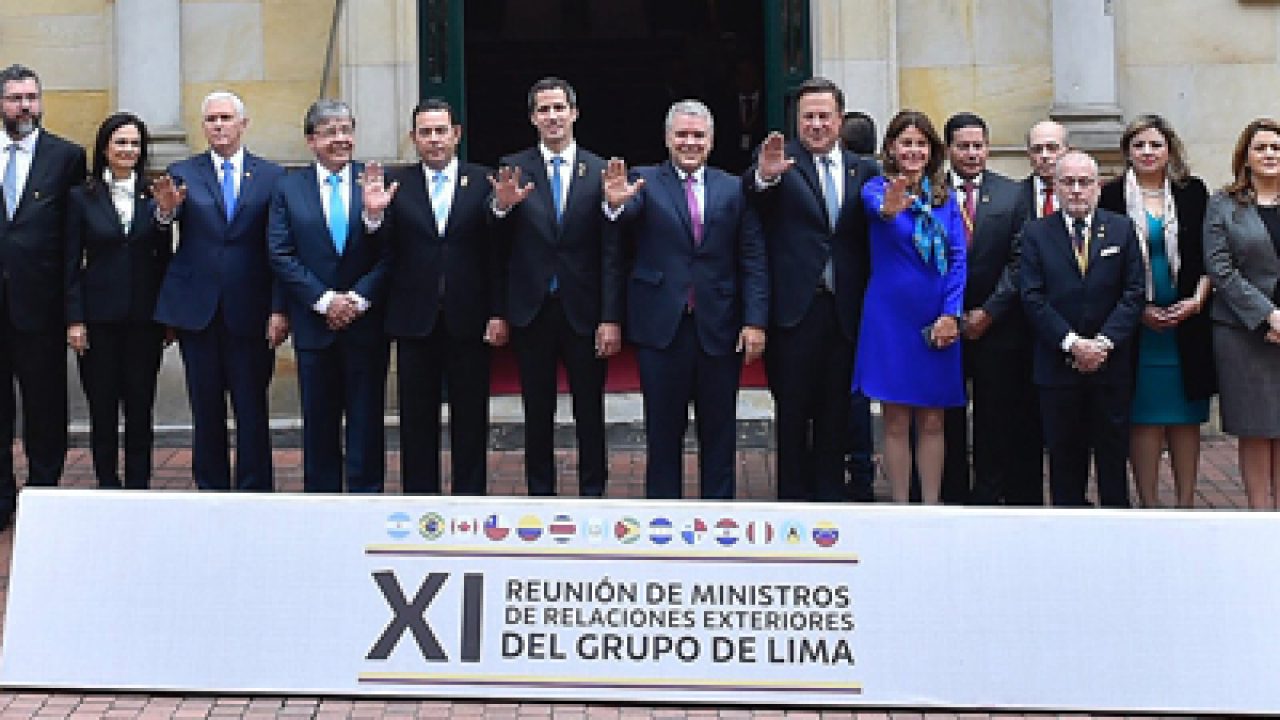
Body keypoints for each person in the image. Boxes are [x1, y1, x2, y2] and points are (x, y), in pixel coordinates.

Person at [604, 99, 768, 500]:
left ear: (711, 140)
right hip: (662, 328)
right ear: (667, 138)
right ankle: (664, 518)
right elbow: (625, 214)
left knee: (720, 433)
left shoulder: (733, 187)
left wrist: (755, 321)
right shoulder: (643, 181)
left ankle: (718, 516)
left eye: (697, 135)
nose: (689, 142)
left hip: (719, 326)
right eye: (682, 135)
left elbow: (752, 257)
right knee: (663, 434)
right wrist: (614, 205)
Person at [488, 77, 623, 498]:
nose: (552, 117)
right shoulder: (512, 168)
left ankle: (593, 494)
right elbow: (496, 248)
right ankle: (540, 495)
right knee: (537, 410)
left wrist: (611, 316)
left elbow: (612, 251)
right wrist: (500, 208)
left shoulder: (600, 171)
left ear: (574, 113)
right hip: (533, 308)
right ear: (533, 118)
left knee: (589, 410)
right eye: (543, 110)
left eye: (559, 108)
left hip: (584, 309)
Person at [746, 77, 877, 501]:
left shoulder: (864, 169)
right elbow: (753, 199)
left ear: (840, 119)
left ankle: (830, 500)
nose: (816, 125)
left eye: (824, 116)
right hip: (794, 312)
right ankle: (793, 503)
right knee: (793, 413)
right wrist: (763, 178)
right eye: (808, 117)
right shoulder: (778, 162)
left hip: (844, 312)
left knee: (836, 413)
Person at [152, 91, 288, 492]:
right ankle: (210, 489)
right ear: (203, 126)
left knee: (251, 408)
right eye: (211, 119)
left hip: (251, 311)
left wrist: (279, 308)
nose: (219, 125)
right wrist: (164, 211)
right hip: (199, 312)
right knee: (206, 408)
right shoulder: (183, 172)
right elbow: (164, 222)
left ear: (243, 124)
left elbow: (281, 247)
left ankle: (254, 490)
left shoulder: (272, 176)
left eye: (226, 118)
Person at [376, 99, 507, 495]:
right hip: (414, 319)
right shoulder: (394, 184)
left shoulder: (484, 181)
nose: (434, 140)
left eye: (441, 131)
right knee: (416, 420)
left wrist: (498, 312)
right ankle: (420, 501)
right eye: (425, 132)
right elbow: (382, 251)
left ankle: (469, 500)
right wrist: (372, 217)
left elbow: (497, 254)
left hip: (469, 318)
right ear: (413, 138)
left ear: (456, 134)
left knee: (471, 417)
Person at [267, 99, 390, 493]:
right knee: (319, 421)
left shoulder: (376, 180)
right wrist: (324, 301)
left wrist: (357, 299)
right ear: (311, 140)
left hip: (365, 322)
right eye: (330, 132)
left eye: (346, 130)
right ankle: (322, 501)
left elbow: (392, 251)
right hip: (313, 323)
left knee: (367, 419)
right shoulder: (288, 188)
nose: (341, 139)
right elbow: (280, 253)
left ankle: (366, 495)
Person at [1099, 114, 1214, 509]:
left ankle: (1185, 505)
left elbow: (1209, 256)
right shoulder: (1111, 196)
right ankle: (1149, 506)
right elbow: (1105, 266)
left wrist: (1197, 300)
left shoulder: (1193, 192)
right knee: (1143, 416)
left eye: (1155, 145)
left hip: (1187, 322)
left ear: (1170, 150)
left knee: (1186, 417)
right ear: (1127, 152)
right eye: (1139, 145)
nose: (1147, 152)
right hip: (1136, 327)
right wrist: (1138, 310)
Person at [852, 111, 965, 505]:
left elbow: (957, 257)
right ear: (891, 148)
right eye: (906, 143)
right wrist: (891, 207)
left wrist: (951, 313)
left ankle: (930, 506)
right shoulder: (876, 188)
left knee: (933, 418)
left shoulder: (945, 198)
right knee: (896, 419)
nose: (913, 151)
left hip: (936, 316)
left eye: (921, 144)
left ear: (931, 150)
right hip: (890, 318)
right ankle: (900, 505)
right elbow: (878, 211)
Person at [1021, 151, 1144, 508]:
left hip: (1111, 366)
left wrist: (1102, 344)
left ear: (1098, 187)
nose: (1076, 190)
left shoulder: (1121, 229)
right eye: (1068, 182)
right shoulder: (1036, 233)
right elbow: (1032, 297)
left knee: (1113, 460)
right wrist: (1073, 344)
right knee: (1064, 462)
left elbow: (1134, 292)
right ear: (1055, 187)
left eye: (1084, 182)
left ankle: (1116, 530)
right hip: (1058, 366)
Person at [939, 112, 1043, 505]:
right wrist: (951, 313)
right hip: (943, 321)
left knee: (995, 413)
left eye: (978, 146)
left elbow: (1019, 259)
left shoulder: (1012, 194)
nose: (971, 154)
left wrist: (989, 311)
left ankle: (989, 491)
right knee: (946, 413)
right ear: (948, 149)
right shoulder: (932, 192)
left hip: (997, 323)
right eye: (963, 146)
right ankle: (951, 490)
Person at [64, 112, 171, 489]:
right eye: (121, 142)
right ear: (105, 148)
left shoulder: (155, 194)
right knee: (103, 410)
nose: (128, 149)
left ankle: (139, 487)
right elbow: (70, 262)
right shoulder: (81, 197)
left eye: (135, 143)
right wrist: (74, 319)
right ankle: (107, 485)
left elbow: (163, 257)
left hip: (144, 320)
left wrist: (165, 217)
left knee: (140, 408)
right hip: (98, 321)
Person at [0, 63, 87, 528]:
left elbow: (74, 241)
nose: (25, 106)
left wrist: (73, 309)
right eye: (15, 98)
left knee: (45, 407)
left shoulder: (66, 157)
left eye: (31, 97)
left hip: (42, 305)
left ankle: (43, 495)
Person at [1203, 118, 1280, 510]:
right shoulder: (1223, 203)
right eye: (1260, 147)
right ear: (1245, 157)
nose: (1269, 154)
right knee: (1256, 428)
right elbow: (1220, 268)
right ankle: (1259, 515)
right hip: (1242, 331)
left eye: (1276, 148)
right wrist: (1269, 315)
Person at [839, 110, 878, 501]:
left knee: (852, 391)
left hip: (857, 294)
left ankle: (859, 470)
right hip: (867, 294)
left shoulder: (868, 180)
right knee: (857, 393)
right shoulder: (876, 176)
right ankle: (861, 471)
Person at [1022, 120, 1070, 220]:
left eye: (1052, 148)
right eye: (1037, 149)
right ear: (1029, 155)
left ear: (1067, 151)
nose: (1044, 155)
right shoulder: (1014, 197)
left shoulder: (1084, 193)